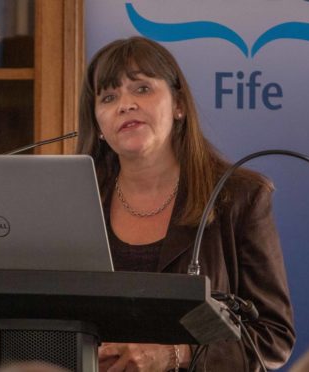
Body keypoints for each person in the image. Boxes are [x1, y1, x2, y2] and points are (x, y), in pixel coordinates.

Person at [76, 36, 295, 371]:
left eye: (142, 89)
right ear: (99, 126)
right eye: (108, 96)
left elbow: (273, 338)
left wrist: (173, 355)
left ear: (178, 105)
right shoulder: (76, 200)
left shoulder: (239, 197)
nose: (125, 104)